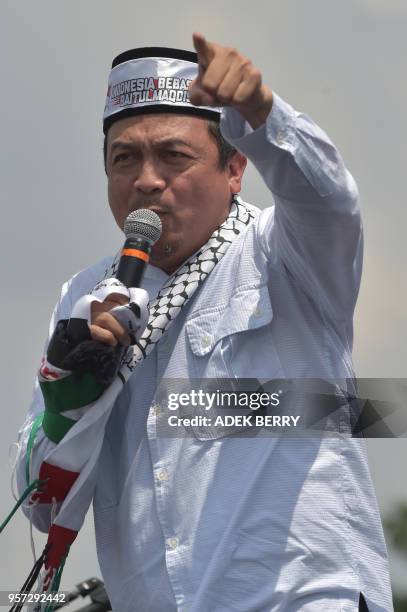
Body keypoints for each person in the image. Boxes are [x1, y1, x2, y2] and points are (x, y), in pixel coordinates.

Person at [15, 33, 393, 611]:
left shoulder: (285, 252)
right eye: (124, 159)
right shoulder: (86, 298)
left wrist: (264, 114)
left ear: (236, 167)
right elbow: (40, 508)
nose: (146, 179)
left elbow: (330, 197)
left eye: (174, 155)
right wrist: (69, 401)